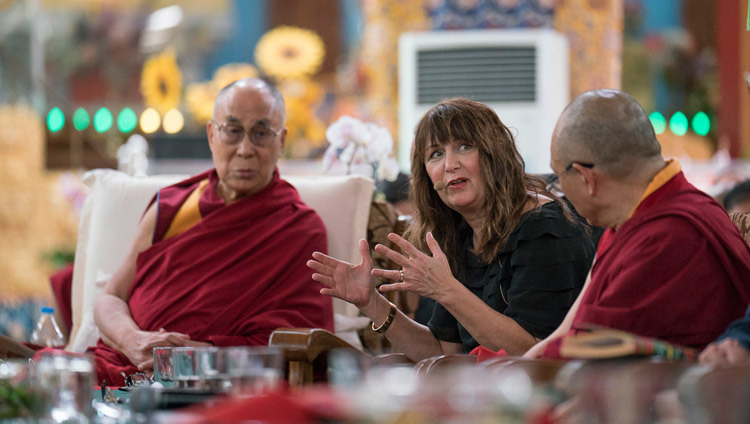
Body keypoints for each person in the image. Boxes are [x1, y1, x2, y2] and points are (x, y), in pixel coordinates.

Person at [308, 98, 595, 359]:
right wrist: (372, 303)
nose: (449, 164)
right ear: (427, 177)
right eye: (435, 154)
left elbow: (531, 354)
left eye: (464, 146)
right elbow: (441, 351)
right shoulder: (457, 233)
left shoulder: (544, 228)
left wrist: (446, 290)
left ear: (495, 154)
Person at [92, 78, 334, 385]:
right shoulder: (173, 206)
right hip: (121, 368)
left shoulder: (299, 229)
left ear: (281, 141)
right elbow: (110, 296)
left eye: (261, 134)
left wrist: (203, 357)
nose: (245, 150)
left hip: (221, 386)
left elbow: (304, 344)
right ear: (211, 135)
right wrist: (131, 340)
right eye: (232, 131)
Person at [525, 89, 750, 359]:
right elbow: (568, 335)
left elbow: (590, 354)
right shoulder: (631, 221)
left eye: (558, 178)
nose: (558, 189)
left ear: (587, 178)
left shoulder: (668, 237)